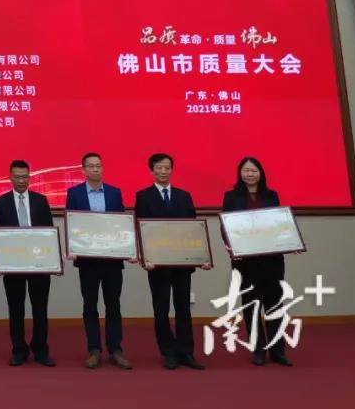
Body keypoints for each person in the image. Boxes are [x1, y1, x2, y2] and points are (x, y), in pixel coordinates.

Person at [134, 153, 209, 371]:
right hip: (157, 264)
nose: (163, 171)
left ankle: (186, 352)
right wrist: (145, 258)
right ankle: (168, 352)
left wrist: (201, 257)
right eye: (159, 168)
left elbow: (193, 230)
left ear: (172, 170)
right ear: (152, 170)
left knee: (183, 308)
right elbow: (141, 229)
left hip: (182, 263)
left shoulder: (184, 196)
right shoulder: (143, 196)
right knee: (161, 308)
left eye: (167, 168)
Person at [221, 157, 293, 367]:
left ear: (260, 173)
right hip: (245, 261)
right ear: (240, 173)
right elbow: (226, 226)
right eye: (246, 170)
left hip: (272, 260)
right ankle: (258, 350)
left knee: (275, 305)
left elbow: (279, 224)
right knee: (251, 305)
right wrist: (232, 248)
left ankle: (278, 351)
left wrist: (289, 242)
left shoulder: (271, 195)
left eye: (253, 170)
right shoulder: (231, 197)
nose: (250, 174)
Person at [64, 152, 133, 370]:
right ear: (83, 170)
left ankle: (115, 350)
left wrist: (128, 248)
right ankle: (94, 350)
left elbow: (122, 224)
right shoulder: (74, 193)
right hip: (87, 261)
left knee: (113, 305)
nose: (95, 169)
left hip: (112, 260)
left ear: (102, 168)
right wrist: (72, 247)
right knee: (90, 306)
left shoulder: (114, 192)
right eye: (91, 166)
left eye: (98, 165)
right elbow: (71, 223)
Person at [0, 160, 56, 367]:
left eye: (24, 177)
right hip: (13, 265)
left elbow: (49, 233)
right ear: (10, 178)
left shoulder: (41, 201)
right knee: (16, 308)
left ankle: (41, 349)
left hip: (39, 264)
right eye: (17, 177)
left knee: (40, 308)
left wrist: (52, 261)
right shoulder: (1, 202)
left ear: (29, 177)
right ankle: (19, 349)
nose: (21, 181)